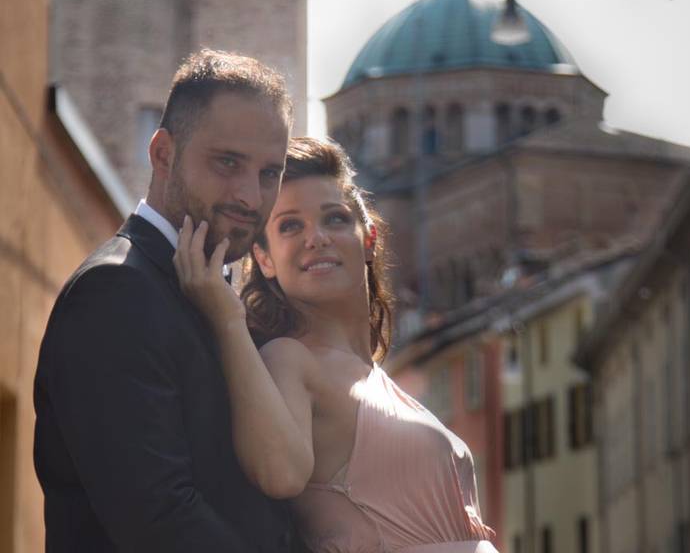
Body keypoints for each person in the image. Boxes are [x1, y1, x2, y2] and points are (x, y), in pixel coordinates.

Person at [174, 136, 498, 553]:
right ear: (265, 259)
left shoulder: (375, 378)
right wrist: (227, 320)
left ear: (368, 239)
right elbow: (280, 475)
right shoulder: (288, 359)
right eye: (290, 225)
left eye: (335, 219)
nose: (317, 238)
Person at [33, 49, 299, 552]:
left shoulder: (226, 301)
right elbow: (160, 521)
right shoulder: (114, 291)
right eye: (228, 163)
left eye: (269, 173)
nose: (250, 196)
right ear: (163, 155)